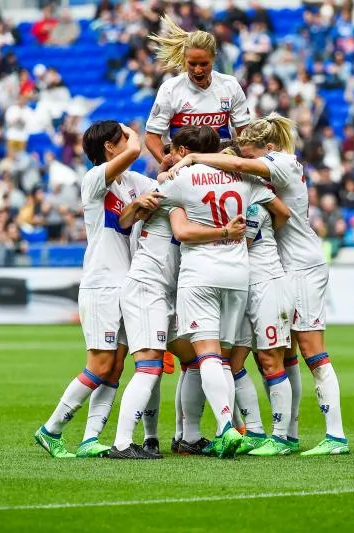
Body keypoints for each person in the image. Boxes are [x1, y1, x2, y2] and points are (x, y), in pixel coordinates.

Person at [169, 113, 349, 455]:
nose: (244, 164)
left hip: (298, 267)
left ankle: (330, 435)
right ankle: (282, 434)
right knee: (279, 355)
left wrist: (193, 158)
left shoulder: (282, 162)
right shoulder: (262, 172)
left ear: (268, 148)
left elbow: (252, 178)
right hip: (274, 268)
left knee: (310, 352)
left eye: (250, 156)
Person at [113, 127, 247, 459]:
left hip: (173, 289)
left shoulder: (186, 184)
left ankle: (188, 437)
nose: (167, 156)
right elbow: (128, 220)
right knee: (150, 366)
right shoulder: (172, 185)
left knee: (197, 360)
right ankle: (125, 441)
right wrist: (135, 205)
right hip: (149, 285)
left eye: (173, 150)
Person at [34, 121, 162, 459]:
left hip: (124, 285)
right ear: (110, 146)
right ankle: (52, 429)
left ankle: (91, 438)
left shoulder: (126, 185)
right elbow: (135, 149)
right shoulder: (94, 180)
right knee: (100, 365)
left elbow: (161, 188)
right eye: (122, 138)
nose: (128, 141)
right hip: (101, 284)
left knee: (116, 366)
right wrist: (136, 133)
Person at [163, 125, 290, 458]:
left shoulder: (185, 177)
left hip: (201, 272)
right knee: (225, 359)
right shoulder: (246, 179)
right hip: (238, 276)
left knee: (205, 355)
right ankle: (246, 429)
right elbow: (278, 207)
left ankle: (224, 427)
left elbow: (155, 196)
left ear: (186, 149)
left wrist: (173, 170)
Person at [229, 197, 295, 457]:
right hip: (243, 287)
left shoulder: (253, 204)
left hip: (267, 284)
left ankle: (281, 437)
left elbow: (240, 245)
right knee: (233, 362)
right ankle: (255, 431)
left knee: (270, 361)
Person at [145, 16, 251, 167]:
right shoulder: (170, 89)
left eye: (204, 64)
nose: (198, 70)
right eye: (192, 64)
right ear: (184, 59)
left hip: (221, 162)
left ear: (213, 58)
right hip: (184, 164)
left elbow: (244, 132)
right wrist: (167, 163)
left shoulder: (230, 85)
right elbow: (151, 136)